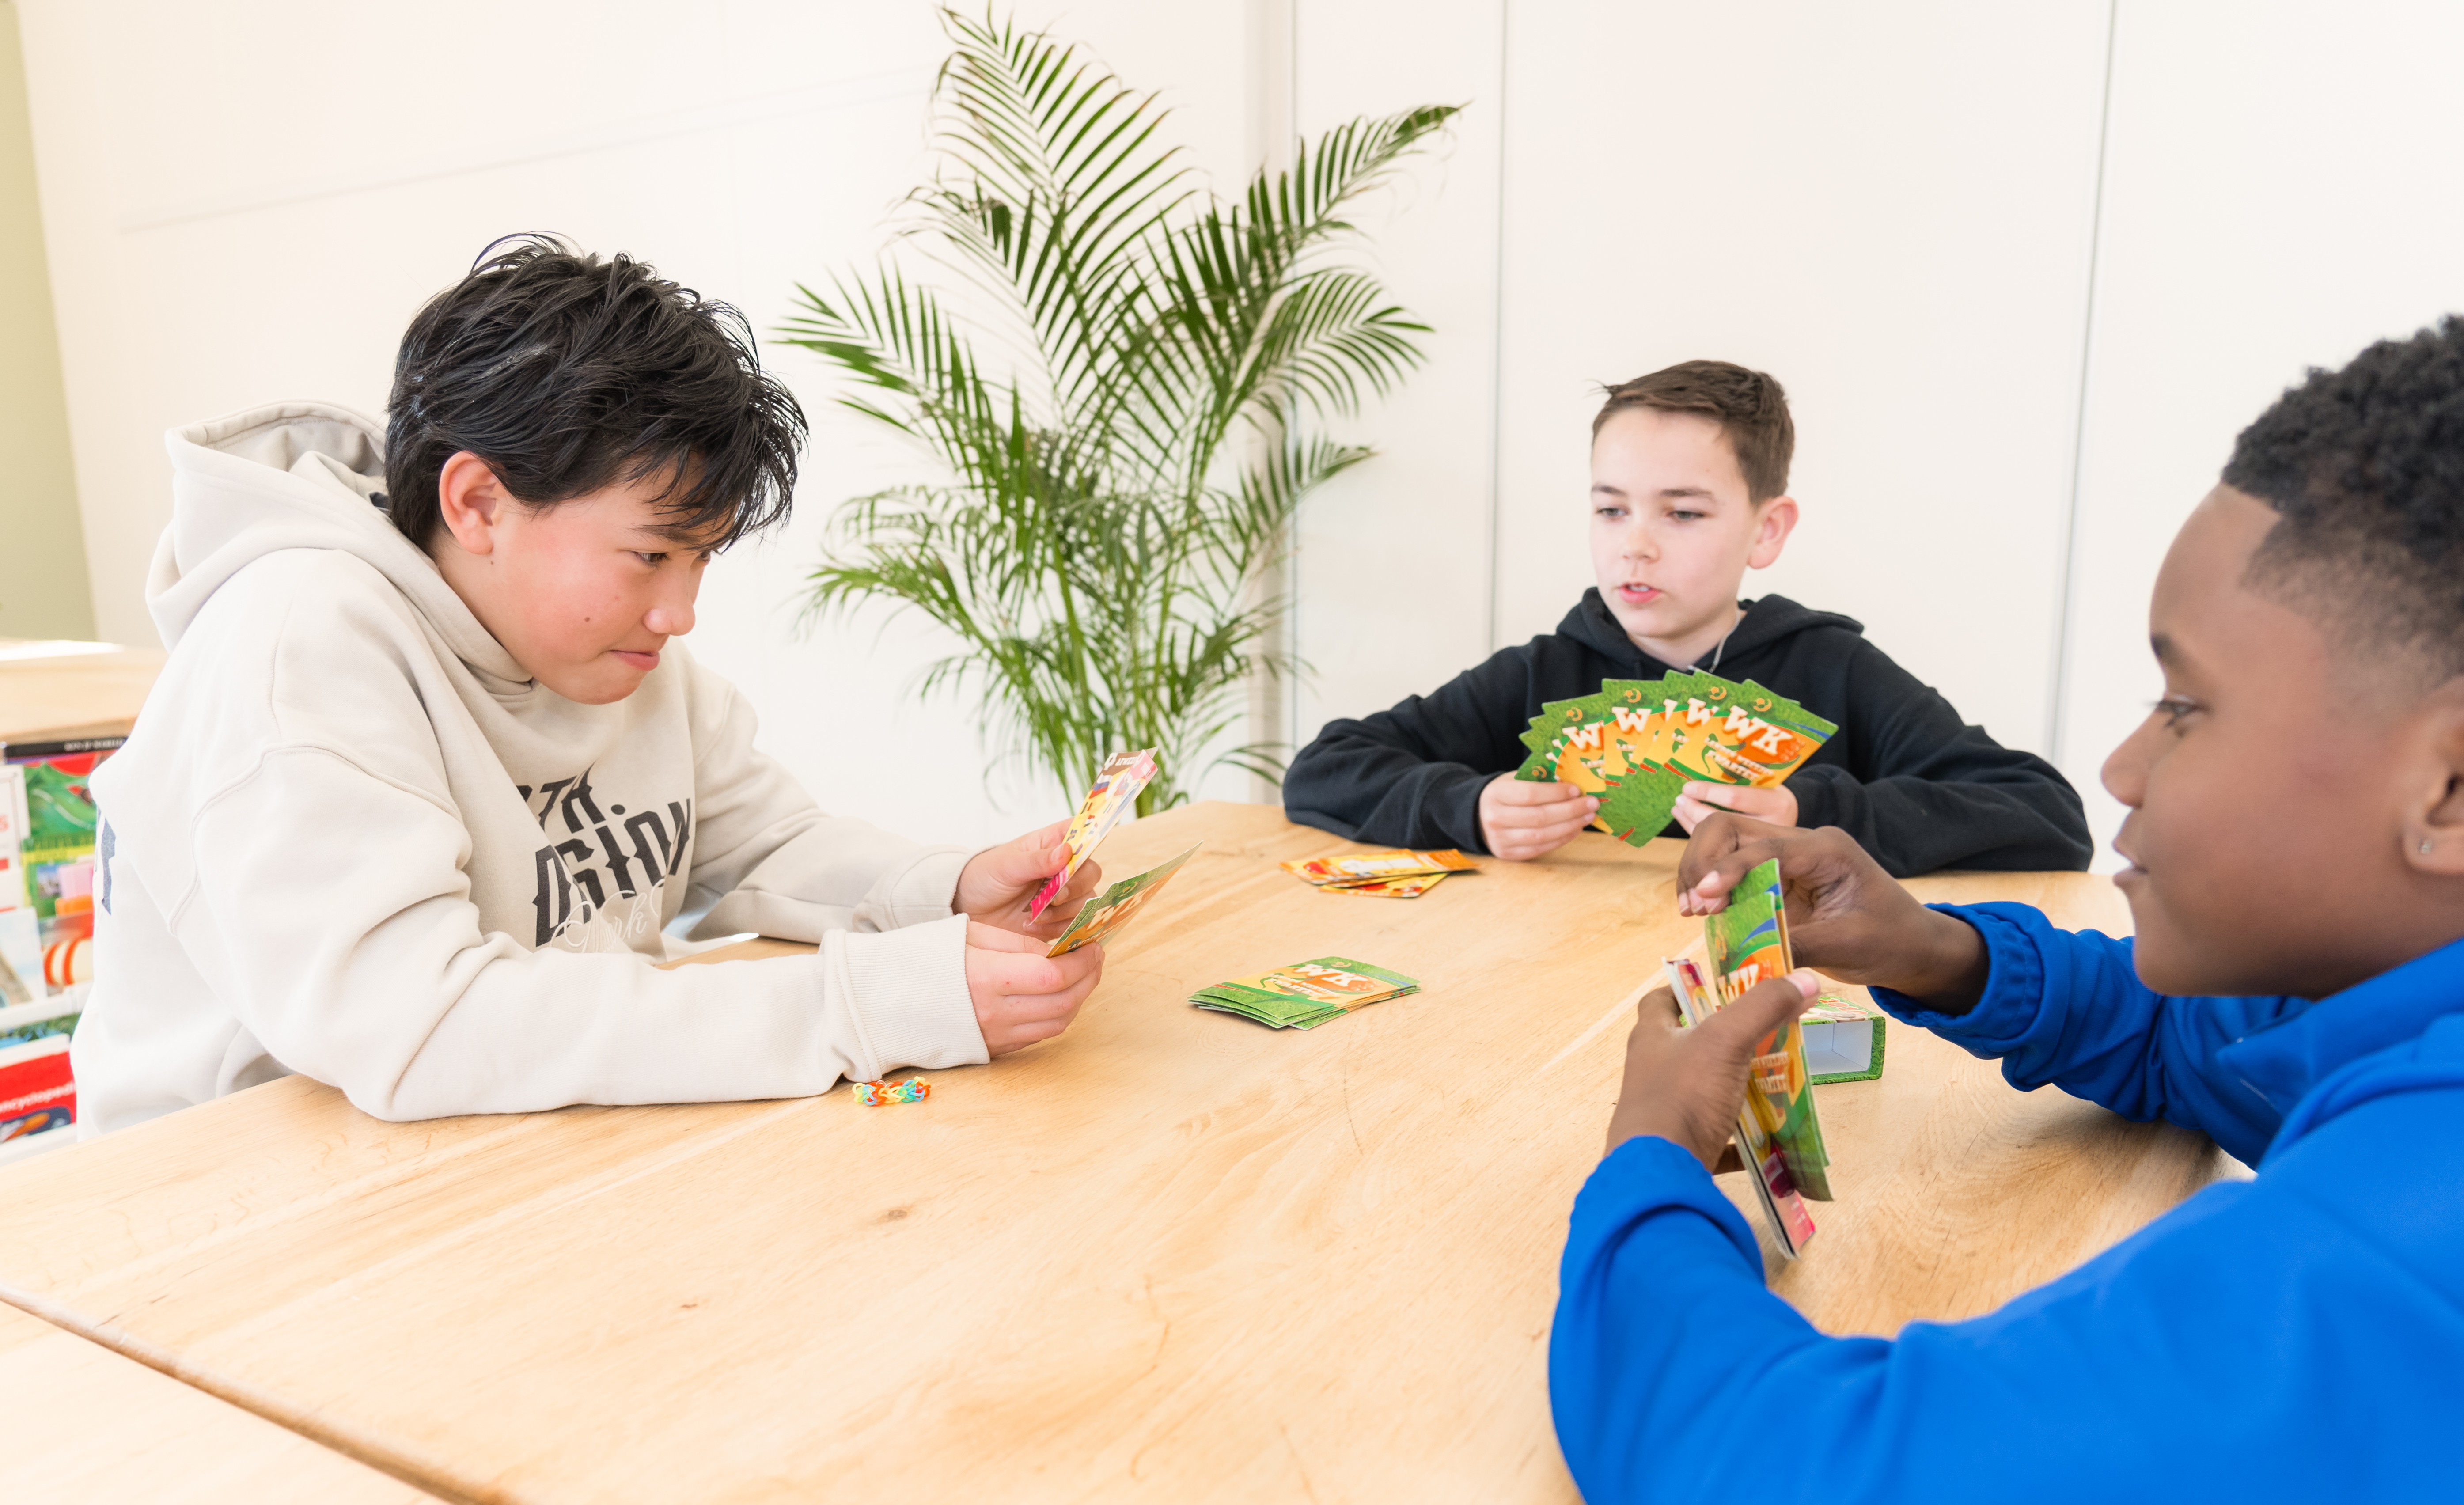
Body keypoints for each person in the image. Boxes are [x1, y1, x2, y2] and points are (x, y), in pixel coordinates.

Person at [1551, 322, 2464, 1505]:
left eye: (2185, 706)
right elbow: (2213, 1049)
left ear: (2445, 787)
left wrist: (1648, 1161)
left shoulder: (2399, 1255)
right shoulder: (2392, 1021)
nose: (2122, 765)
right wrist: (1937, 950)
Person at [74, 237, 1107, 1133]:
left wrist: (946, 889)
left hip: (492, 1143)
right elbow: (421, 1028)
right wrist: (860, 1005)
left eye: (701, 561)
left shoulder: (597, 646)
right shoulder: (298, 643)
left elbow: (765, 840)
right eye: (653, 556)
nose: (680, 612)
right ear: (478, 501)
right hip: (228, 1210)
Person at [1281, 361, 2091, 876]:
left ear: (1765, 530)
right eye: (1610, 510)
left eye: (1682, 515)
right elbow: (1324, 769)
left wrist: (1807, 812)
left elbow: (2046, 816)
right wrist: (1471, 807)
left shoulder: (1833, 671)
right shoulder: (1543, 673)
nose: (1634, 547)